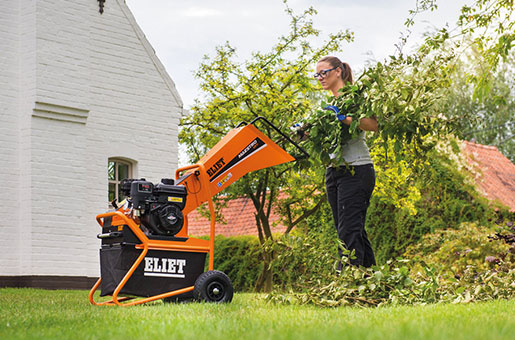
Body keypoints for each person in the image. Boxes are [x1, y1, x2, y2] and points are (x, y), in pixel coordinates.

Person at [314, 56, 378, 268]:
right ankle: (371, 279)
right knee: (350, 228)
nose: (320, 78)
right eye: (317, 75)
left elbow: (373, 124)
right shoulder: (328, 104)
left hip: (356, 170)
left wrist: (344, 118)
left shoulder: (354, 96)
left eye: (324, 72)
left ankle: (348, 282)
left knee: (349, 230)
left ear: (338, 71)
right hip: (334, 171)